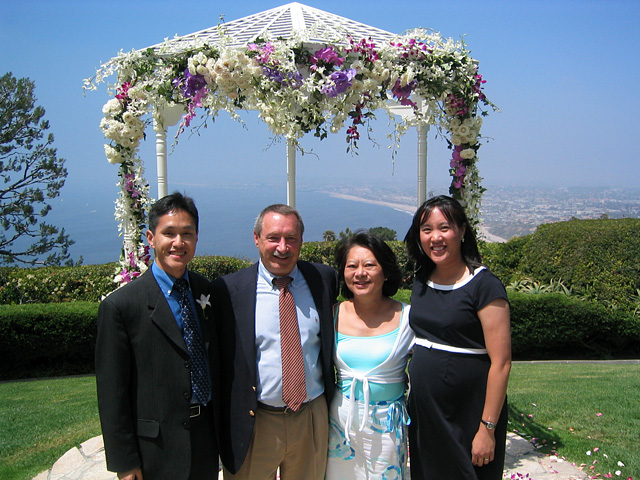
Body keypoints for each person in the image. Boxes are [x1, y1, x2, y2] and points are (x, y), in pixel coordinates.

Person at [95, 192, 219, 480]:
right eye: (169, 233)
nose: (179, 242)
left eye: (187, 234)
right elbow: (112, 394)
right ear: (151, 238)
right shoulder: (121, 306)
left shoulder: (208, 292)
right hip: (155, 450)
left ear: (196, 238)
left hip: (205, 442)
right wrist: (124, 462)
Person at [212, 204, 338, 480]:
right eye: (273, 238)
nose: (283, 247)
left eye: (291, 238)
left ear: (301, 241)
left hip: (310, 417)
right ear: (256, 239)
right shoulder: (229, 291)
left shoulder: (323, 279)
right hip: (256, 422)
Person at [403, 195, 511, 479]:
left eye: (444, 228)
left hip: (469, 415)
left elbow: (501, 364)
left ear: (462, 231)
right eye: (426, 230)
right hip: (427, 415)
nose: (435, 237)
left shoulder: (485, 286)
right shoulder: (421, 279)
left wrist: (487, 429)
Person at [326, 232, 414, 480]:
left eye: (369, 265)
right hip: (340, 424)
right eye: (352, 266)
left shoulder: (408, 318)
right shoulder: (332, 314)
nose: (360, 273)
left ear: (385, 272)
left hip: (387, 427)